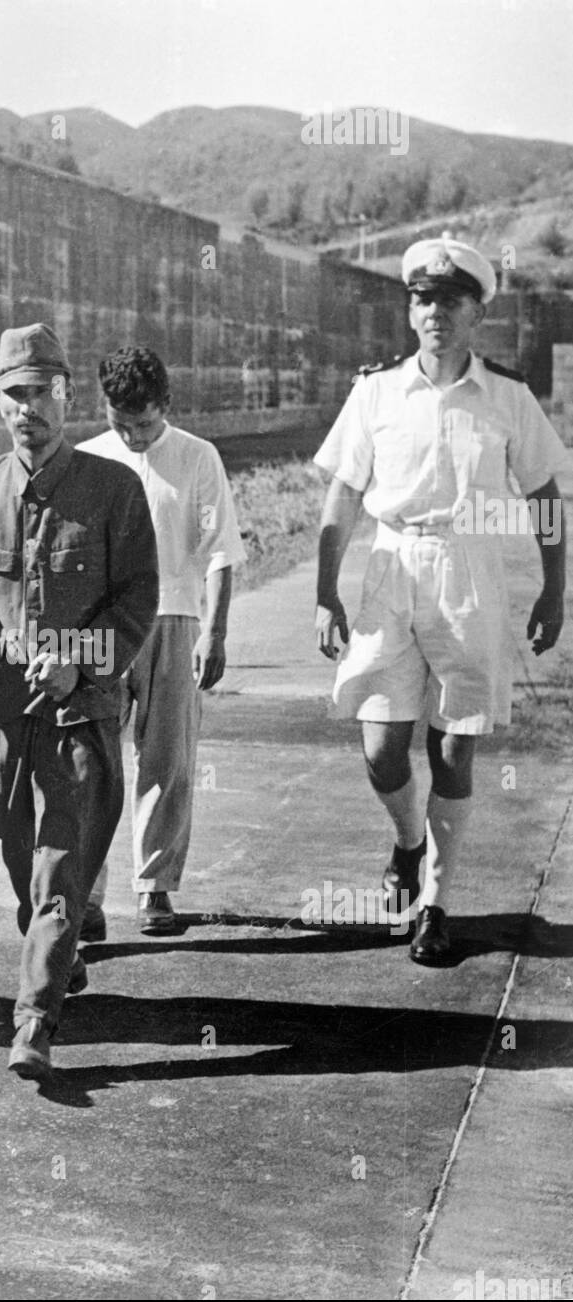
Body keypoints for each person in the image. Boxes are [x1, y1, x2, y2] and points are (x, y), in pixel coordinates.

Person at [0, 324, 159, 1080]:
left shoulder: (114, 490)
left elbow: (138, 596)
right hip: (1, 713)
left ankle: (35, 1018)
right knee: (18, 848)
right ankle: (56, 940)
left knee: (61, 865)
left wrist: (81, 664)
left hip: (81, 711)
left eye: (41, 392)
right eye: (14, 394)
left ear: (67, 396)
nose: (27, 407)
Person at [314, 236, 566, 964]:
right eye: (422, 300)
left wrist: (554, 587)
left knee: (454, 744)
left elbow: (544, 494)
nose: (433, 313)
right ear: (409, 307)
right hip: (391, 568)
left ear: (475, 313)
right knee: (379, 747)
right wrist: (326, 592)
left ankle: (435, 903)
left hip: (470, 575)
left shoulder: (506, 397)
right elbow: (343, 494)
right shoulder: (376, 392)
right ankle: (406, 840)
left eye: (449, 301)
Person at [75, 346, 247, 937]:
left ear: (165, 407)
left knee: (166, 759)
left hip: (175, 618)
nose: (133, 436)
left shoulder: (198, 458)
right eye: (121, 423)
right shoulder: (86, 460)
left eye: (144, 424)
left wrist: (216, 632)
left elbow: (221, 549)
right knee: (89, 760)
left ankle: (154, 888)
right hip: (100, 627)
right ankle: (84, 897)